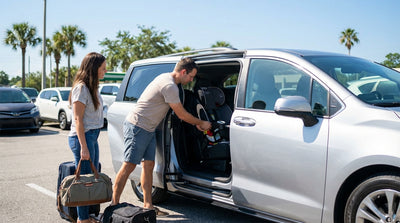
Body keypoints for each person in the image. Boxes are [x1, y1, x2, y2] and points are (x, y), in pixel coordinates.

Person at [111, 58, 212, 214]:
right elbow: (181, 114)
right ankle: (113, 205)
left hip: (149, 128)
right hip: (137, 127)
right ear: (183, 72)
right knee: (128, 166)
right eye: (191, 76)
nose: (191, 80)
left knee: (148, 166)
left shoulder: (167, 78)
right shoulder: (169, 86)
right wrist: (201, 122)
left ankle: (148, 205)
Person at [68, 52, 106, 223]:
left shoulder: (93, 87)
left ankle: (86, 216)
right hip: (82, 137)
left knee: (92, 176)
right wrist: (84, 146)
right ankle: (82, 219)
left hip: (92, 136)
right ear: (94, 68)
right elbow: (77, 119)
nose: (105, 70)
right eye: (103, 67)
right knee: (84, 180)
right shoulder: (81, 88)